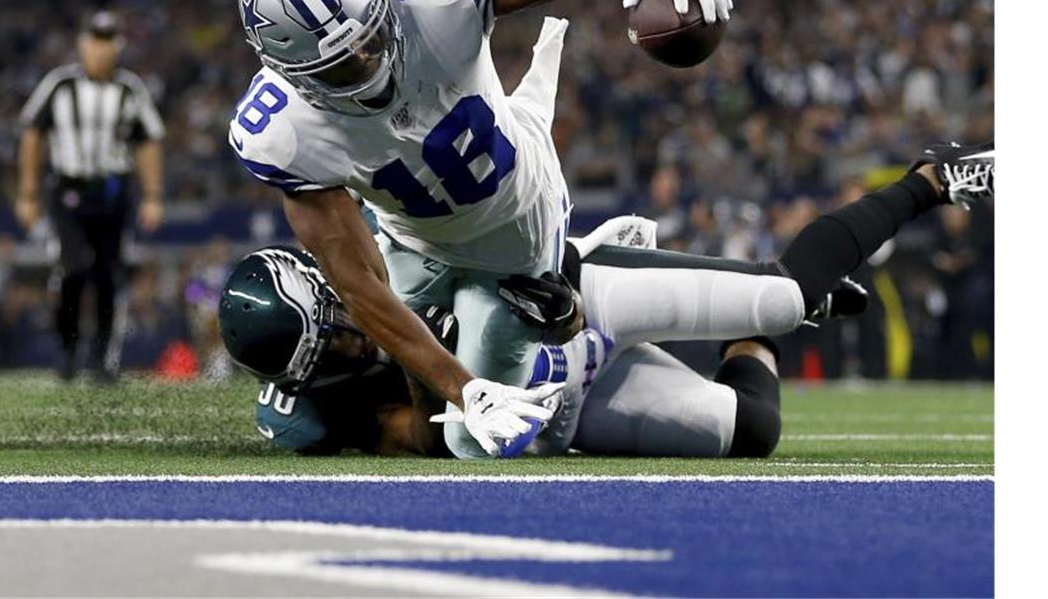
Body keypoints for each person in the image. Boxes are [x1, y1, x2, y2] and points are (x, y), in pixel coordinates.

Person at [229, 0, 732, 456]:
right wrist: (465, 390)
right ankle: (573, 323)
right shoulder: (282, 132)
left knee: (474, 442)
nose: (369, 60)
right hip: (415, 244)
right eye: (341, 63)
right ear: (292, 73)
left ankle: (580, 316)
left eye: (370, 35)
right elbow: (360, 287)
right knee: (463, 436)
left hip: (517, 209)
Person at [221, 145, 994, 457]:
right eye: (335, 353)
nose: (358, 343)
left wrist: (571, 254)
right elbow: (421, 441)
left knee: (786, 292)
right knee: (751, 432)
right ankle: (769, 322)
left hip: (579, 298)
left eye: (344, 329)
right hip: (559, 393)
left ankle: (930, 180)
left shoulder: (392, 256)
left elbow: (497, 249)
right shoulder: (315, 410)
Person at [15, 10, 166, 382]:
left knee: (108, 275)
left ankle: (100, 358)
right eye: (95, 41)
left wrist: (153, 195)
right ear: (83, 43)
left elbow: (147, 142)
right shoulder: (59, 84)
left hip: (114, 192)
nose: (101, 50)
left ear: (118, 45)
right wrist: (28, 193)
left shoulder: (130, 88)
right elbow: (32, 134)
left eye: (108, 41)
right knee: (73, 267)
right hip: (69, 189)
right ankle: (66, 352)